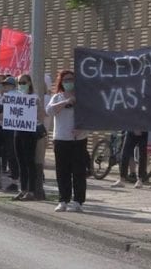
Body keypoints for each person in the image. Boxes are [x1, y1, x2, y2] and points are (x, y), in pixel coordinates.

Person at [47, 70, 88, 213]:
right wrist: (65, 102)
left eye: (71, 79)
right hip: (61, 139)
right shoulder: (57, 97)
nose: (68, 82)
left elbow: (90, 117)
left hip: (78, 139)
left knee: (78, 171)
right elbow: (49, 111)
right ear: (61, 82)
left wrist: (81, 129)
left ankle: (78, 201)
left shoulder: (82, 97)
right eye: (65, 80)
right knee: (62, 171)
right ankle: (63, 200)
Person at [12, 74, 44, 201]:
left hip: (29, 133)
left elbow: (40, 115)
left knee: (29, 162)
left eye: (24, 82)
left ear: (30, 83)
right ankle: (23, 189)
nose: (21, 85)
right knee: (20, 162)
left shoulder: (34, 98)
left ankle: (31, 191)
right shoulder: (16, 97)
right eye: (19, 83)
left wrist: (37, 108)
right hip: (18, 131)